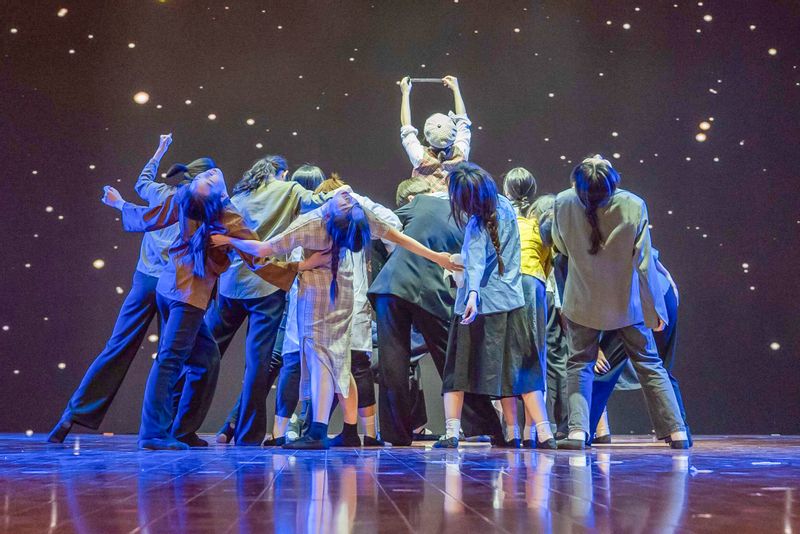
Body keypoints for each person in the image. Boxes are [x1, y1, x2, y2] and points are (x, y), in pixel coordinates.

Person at [213, 188, 460, 449]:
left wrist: (230, 240)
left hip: (319, 297)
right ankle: (350, 431)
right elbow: (399, 237)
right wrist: (437, 257)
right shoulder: (356, 215)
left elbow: (264, 248)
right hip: (342, 293)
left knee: (321, 361)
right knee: (340, 363)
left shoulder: (316, 223)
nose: (346, 194)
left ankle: (317, 431)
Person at [99, 168, 326, 450]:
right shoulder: (227, 216)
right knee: (169, 360)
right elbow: (258, 259)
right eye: (206, 179)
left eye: (202, 176)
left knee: (206, 361)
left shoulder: (187, 197)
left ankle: (183, 430)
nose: (210, 172)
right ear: (218, 197)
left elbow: (149, 217)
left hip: (170, 288)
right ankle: (153, 434)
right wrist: (302, 265)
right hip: (187, 297)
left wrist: (120, 204)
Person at [46, 135, 214, 443]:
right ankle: (176, 429)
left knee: (120, 346)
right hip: (173, 288)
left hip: (145, 280)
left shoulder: (160, 192)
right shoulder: (197, 207)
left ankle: (72, 415)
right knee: (178, 357)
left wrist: (159, 151)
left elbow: (142, 182)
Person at [190, 157, 335, 446]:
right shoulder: (290, 190)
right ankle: (248, 435)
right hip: (267, 286)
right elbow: (318, 200)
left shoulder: (239, 196)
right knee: (258, 363)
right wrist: (343, 193)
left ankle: (179, 423)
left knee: (203, 352)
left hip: (232, 284)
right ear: (282, 173)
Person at [550, 155, 689, 450]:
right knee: (649, 364)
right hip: (627, 304)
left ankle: (578, 432)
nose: (596, 156)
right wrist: (655, 310)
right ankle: (676, 432)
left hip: (582, 301)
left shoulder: (563, 201)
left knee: (579, 365)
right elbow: (644, 264)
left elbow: (560, 246)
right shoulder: (634, 204)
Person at [369, 179, 502, 446]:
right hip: (431, 289)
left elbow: (385, 226)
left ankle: (396, 434)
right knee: (452, 359)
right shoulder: (471, 221)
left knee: (392, 362)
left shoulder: (420, 202)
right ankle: (486, 426)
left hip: (390, 284)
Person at [435, 162, 553, 449]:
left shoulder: (477, 224)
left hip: (477, 306)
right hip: (511, 302)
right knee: (518, 372)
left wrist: (472, 294)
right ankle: (542, 433)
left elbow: (476, 262)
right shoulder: (505, 207)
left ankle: (451, 433)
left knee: (457, 372)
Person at [590, 249, 689, 444]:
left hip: (636, 297)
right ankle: (680, 432)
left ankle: (582, 430)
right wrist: (669, 283)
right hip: (661, 291)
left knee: (601, 367)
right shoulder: (631, 229)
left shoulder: (592, 239)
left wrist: (595, 346)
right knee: (660, 369)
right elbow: (649, 255)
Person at [501, 167, 557, 449]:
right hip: (534, 285)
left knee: (506, 357)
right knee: (534, 354)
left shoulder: (499, 217)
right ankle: (533, 430)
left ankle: (512, 430)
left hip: (504, 287)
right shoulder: (541, 221)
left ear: (506, 190)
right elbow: (548, 263)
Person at [399, 76, 471, 192]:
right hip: (456, 202)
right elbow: (463, 121)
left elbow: (406, 128)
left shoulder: (419, 156)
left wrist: (405, 93)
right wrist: (456, 89)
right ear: (453, 134)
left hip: (428, 203)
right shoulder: (461, 153)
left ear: (427, 138)